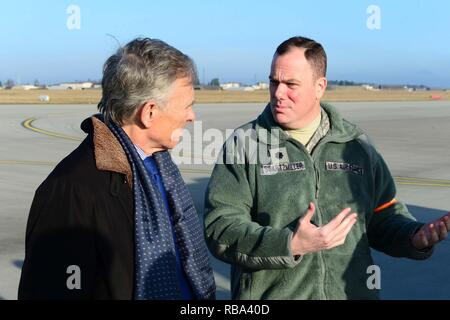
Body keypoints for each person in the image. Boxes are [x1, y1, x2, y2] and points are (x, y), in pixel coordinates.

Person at [204, 36, 449, 299]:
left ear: (319, 86)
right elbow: (221, 227)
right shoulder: (246, 143)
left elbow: (382, 215)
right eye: (274, 82)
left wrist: (413, 236)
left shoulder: (356, 146)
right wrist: (290, 245)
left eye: (291, 84)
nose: (278, 93)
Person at [18, 38, 216, 300]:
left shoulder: (159, 166)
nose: (192, 116)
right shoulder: (71, 190)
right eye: (187, 106)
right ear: (149, 113)